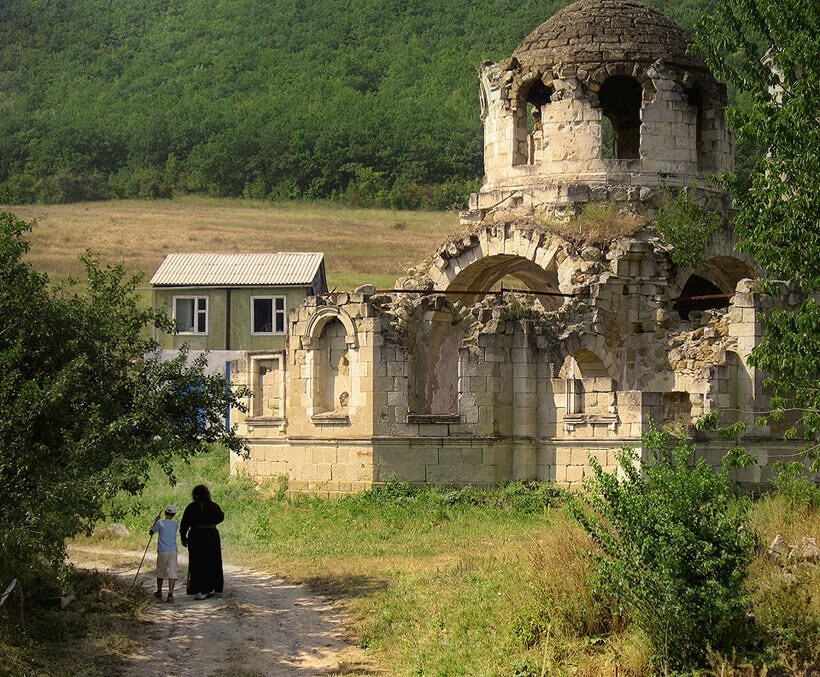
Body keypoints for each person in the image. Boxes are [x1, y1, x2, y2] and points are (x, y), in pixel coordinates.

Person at [179, 484, 224, 600]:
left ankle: (198, 588)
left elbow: (184, 524)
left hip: (196, 536)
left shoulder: (190, 507)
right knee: (212, 561)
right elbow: (220, 517)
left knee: (197, 562)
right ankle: (212, 587)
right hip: (211, 536)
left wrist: (183, 538)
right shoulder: (214, 506)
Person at [149, 504, 179, 603]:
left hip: (163, 550)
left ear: (165, 513)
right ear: (174, 514)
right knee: (172, 572)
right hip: (173, 550)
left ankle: (159, 591)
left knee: (161, 571)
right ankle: (170, 594)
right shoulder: (175, 524)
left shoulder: (160, 523)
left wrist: (155, 521)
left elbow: (151, 532)